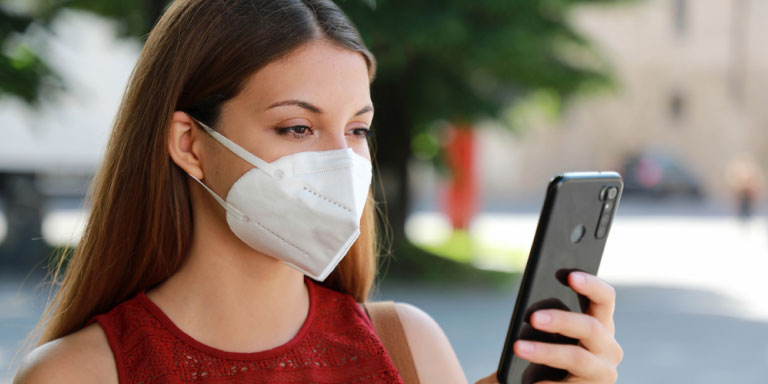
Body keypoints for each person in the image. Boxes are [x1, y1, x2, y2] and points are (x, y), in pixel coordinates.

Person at [13, 0, 622, 383]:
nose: (341, 161)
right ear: (190, 143)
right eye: (297, 127)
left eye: (357, 128)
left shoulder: (407, 348)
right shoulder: (78, 374)